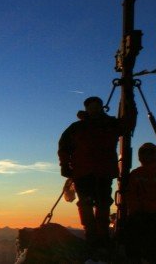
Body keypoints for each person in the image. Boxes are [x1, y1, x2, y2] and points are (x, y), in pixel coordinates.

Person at [58, 96, 135, 254]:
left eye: (96, 106)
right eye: (91, 106)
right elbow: (64, 147)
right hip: (86, 172)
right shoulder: (78, 127)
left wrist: (129, 102)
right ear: (87, 109)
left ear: (101, 107)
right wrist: (65, 165)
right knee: (88, 204)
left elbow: (128, 124)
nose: (94, 109)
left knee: (102, 203)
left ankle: (101, 237)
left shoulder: (110, 124)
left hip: (100, 172)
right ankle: (93, 236)